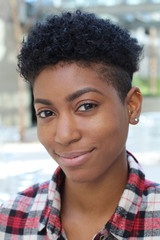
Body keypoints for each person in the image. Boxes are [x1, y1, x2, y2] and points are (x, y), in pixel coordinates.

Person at [0, 10, 160, 240]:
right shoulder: (10, 221)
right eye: (46, 112)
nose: (64, 135)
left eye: (86, 106)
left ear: (132, 106)